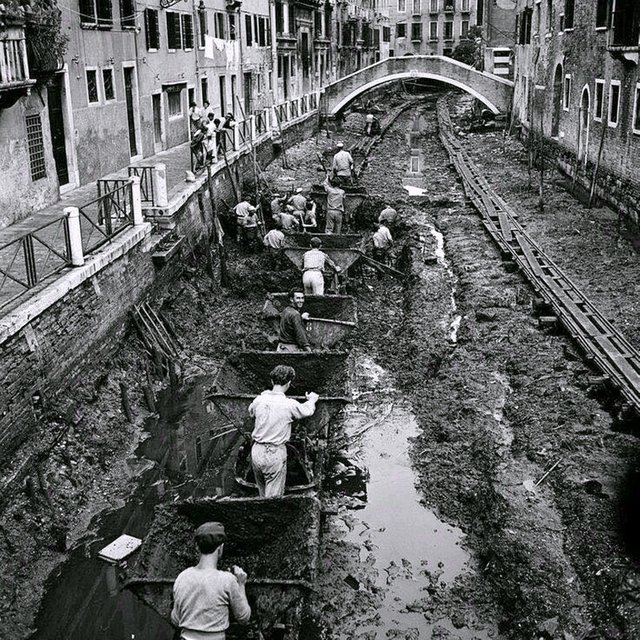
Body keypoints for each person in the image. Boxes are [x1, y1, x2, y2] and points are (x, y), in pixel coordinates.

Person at [171, 521, 251, 640]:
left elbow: (176, 620)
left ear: (197, 547)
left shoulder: (182, 577)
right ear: (220, 548)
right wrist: (241, 584)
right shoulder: (227, 580)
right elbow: (244, 618)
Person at [248, 365, 319, 497]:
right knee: (273, 499)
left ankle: (261, 513)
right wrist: (312, 399)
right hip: (274, 454)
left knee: (262, 493)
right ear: (288, 383)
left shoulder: (259, 400)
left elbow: (251, 412)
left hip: (256, 451)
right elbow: (307, 411)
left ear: (272, 381)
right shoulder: (289, 404)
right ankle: (270, 516)